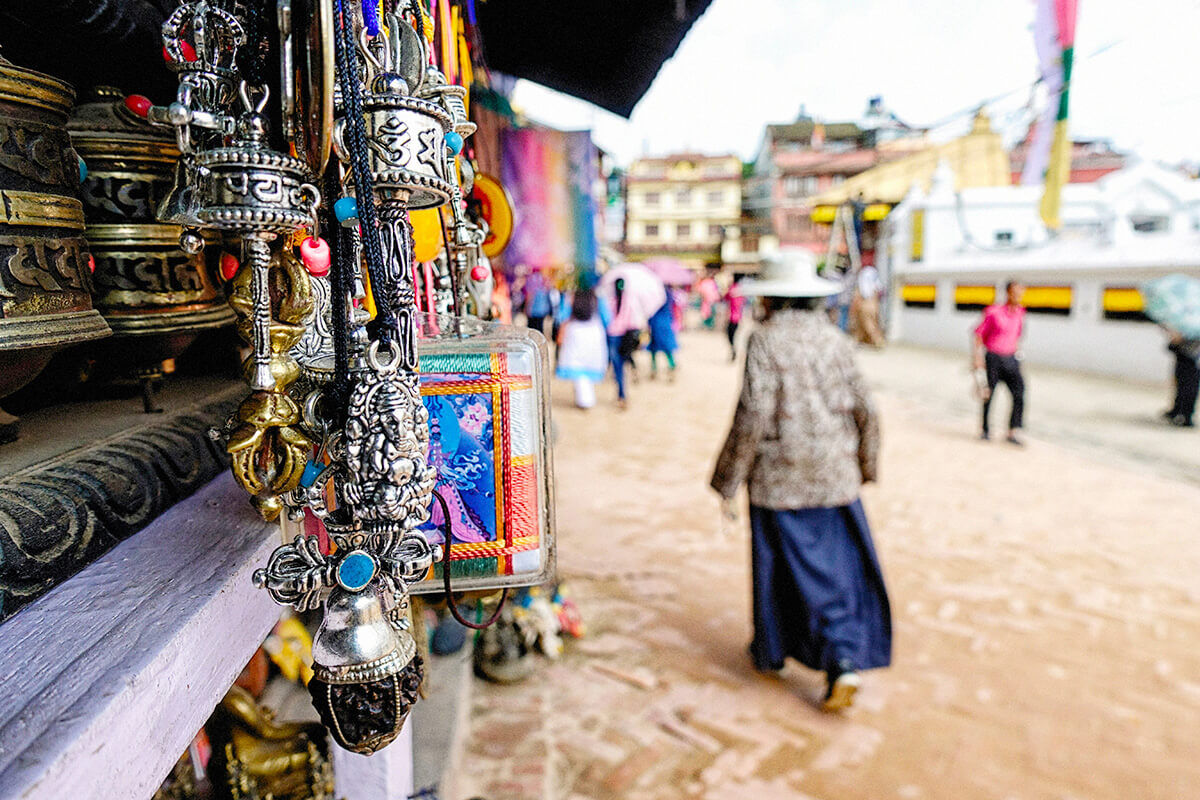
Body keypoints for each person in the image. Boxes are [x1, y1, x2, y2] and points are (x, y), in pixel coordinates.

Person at [710, 250, 891, 712]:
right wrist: (866, 465)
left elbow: (752, 413)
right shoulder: (836, 340)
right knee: (836, 572)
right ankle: (840, 657)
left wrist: (728, 479)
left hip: (779, 480)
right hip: (835, 477)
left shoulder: (764, 341)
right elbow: (867, 409)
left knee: (780, 572)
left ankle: (775, 652)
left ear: (770, 298)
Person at [974, 280, 1027, 445]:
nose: (1018, 295)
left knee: (1019, 393)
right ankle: (985, 430)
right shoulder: (993, 312)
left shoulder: (1021, 313)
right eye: (1015, 291)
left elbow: (1017, 336)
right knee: (989, 394)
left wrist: (1018, 356)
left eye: (1021, 292)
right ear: (1008, 292)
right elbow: (979, 335)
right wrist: (977, 359)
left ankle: (1012, 431)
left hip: (1011, 358)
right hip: (993, 358)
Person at [555, 288, 610, 409]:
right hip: (594, 332)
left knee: (577, 368)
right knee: (588, 367)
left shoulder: (571, 296)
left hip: (575, 332)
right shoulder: (598, 297)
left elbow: (561, 316)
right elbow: (607, 318)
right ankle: (585, 400)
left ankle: (583, 400)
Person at [1164, 334, 1199, 427]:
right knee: (1182, 384)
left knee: (1189, 386)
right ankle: (1178, 410)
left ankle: (1186, 416)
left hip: (1193, 356)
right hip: (1185, 354)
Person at [648, 290, 679, 380]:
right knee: (666, 348)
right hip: (666, 322)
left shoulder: (655, 293)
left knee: (654, 348)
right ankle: (671, 365)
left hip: (656, 323)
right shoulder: (668, 294)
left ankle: (654, 369)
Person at [852, 263, 885, 347]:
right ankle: (860, 340)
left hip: (865, 302)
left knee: (868, 323)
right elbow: (879, 290)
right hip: (874, 303)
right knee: (865, 323)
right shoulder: (874, 274)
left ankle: (878, 341)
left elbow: (859, 292)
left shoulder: (862, 275)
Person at [725, 277, 746, 361]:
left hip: (732, 317)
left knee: (730, 335)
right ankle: (734, 349)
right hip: (738, 317)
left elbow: (726, 297)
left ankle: (733, 349)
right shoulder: (741, 290)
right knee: (734, 335)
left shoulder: (732, 289)